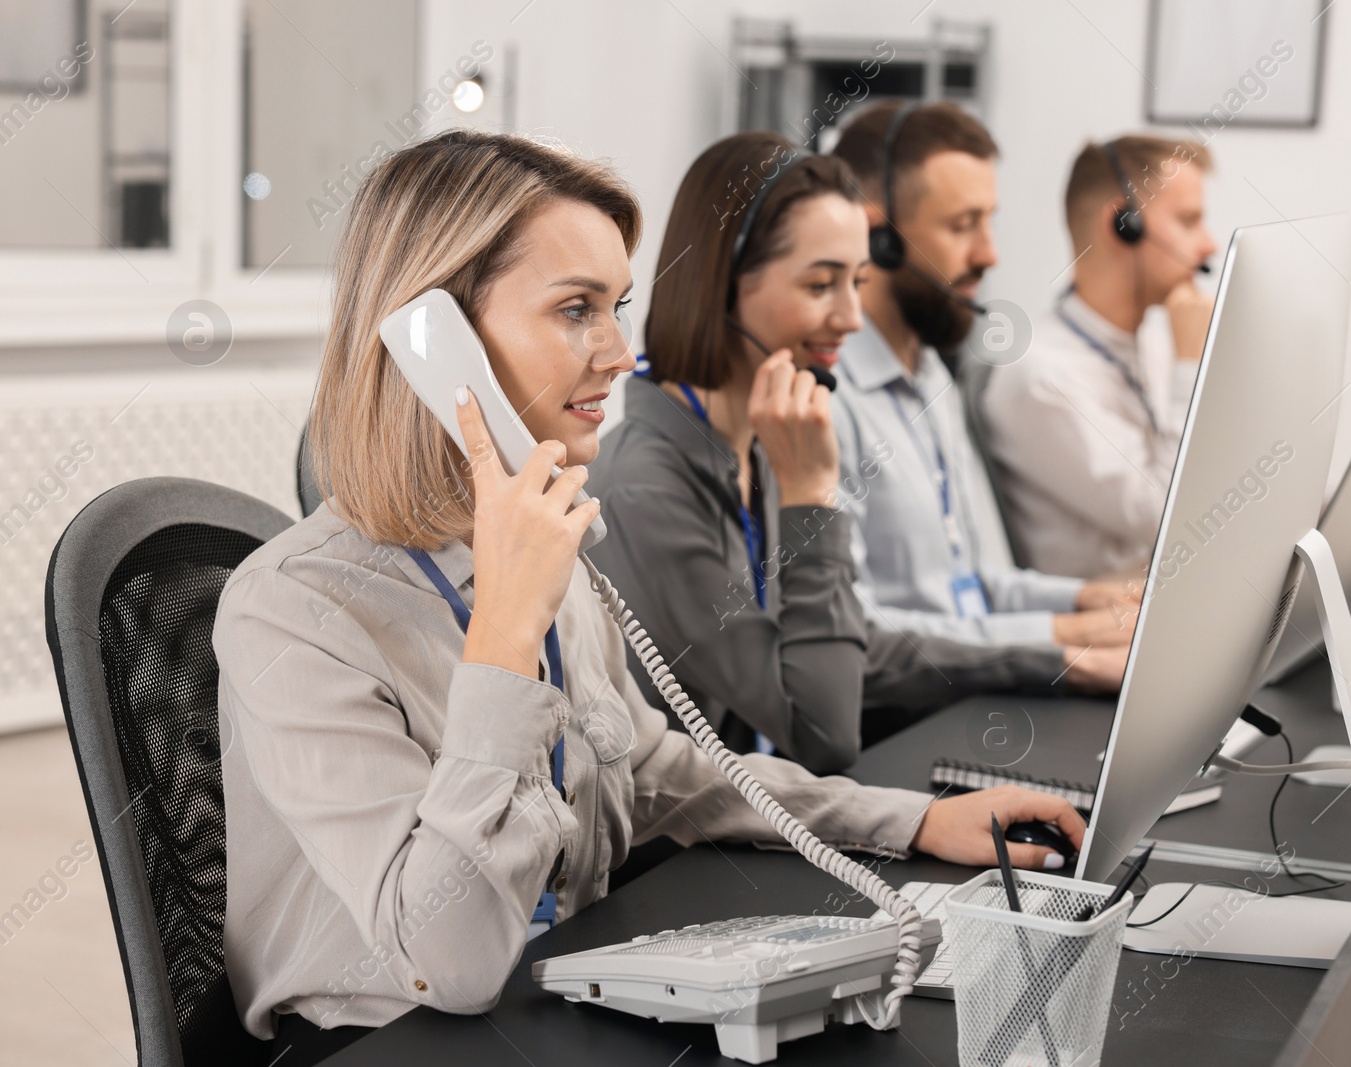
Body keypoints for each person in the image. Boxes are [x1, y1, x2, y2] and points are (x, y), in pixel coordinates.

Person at [213, 130, 1086, 1047]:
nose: (618, 352)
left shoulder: (548, 541)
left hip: (550, 991)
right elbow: (453, 957)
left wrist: (911, 820)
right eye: (576, 310)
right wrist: (505, 631)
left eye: (617, 307)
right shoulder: (292, 609)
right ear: (436, 342)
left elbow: (652, 766)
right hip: (394, 1038)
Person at [588, 133, 1114, 775]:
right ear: (723, 285)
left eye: (857, 282)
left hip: (778, 813)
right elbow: (822, 731)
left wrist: (1057, 661)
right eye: (820, 284)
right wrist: (812, 495)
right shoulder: (647, 489)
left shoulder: (757, 438)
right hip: (676, 858)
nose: (851, 316)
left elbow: (848, 645)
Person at [827, 102, 1137, 666]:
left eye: (987, 221)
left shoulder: (928, 374)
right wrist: (1063, 645)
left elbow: (972, 587)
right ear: (878, 238)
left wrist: (1089, 601)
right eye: (962, 225)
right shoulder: (827, 398)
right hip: (901, 725)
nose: (989, 253)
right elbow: (854, 630)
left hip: (971, 691)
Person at [982, 136, 1217, 579]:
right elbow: (1171, 519)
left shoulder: (1153, 343)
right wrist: (1193, 366)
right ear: (1124, 224)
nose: (1209, 245)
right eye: (1189, 222)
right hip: (1109, 635)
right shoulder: (1042, 378)